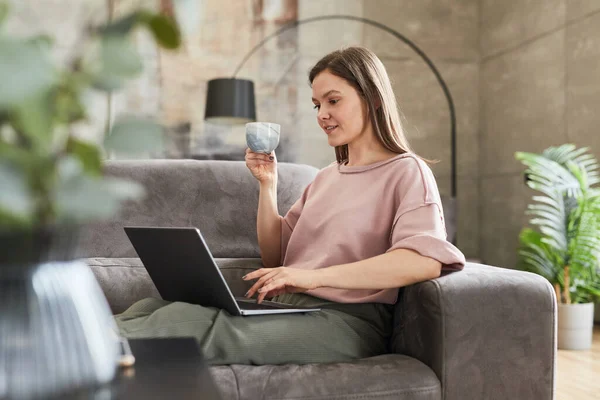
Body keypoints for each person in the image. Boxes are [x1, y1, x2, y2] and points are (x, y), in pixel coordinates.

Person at [115, 46, 466, 366]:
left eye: (333, 101)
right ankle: (72, 342)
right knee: (154, 309)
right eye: (317, 105)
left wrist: (309, 278)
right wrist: (268, 185)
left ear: (372, 97)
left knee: (200, 330)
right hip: (287, 308)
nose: (322, 114)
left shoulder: (406, 170)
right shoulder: (327, 177)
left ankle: (72, 352)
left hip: (346, 321)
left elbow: (423, 259)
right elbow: (275, 258)